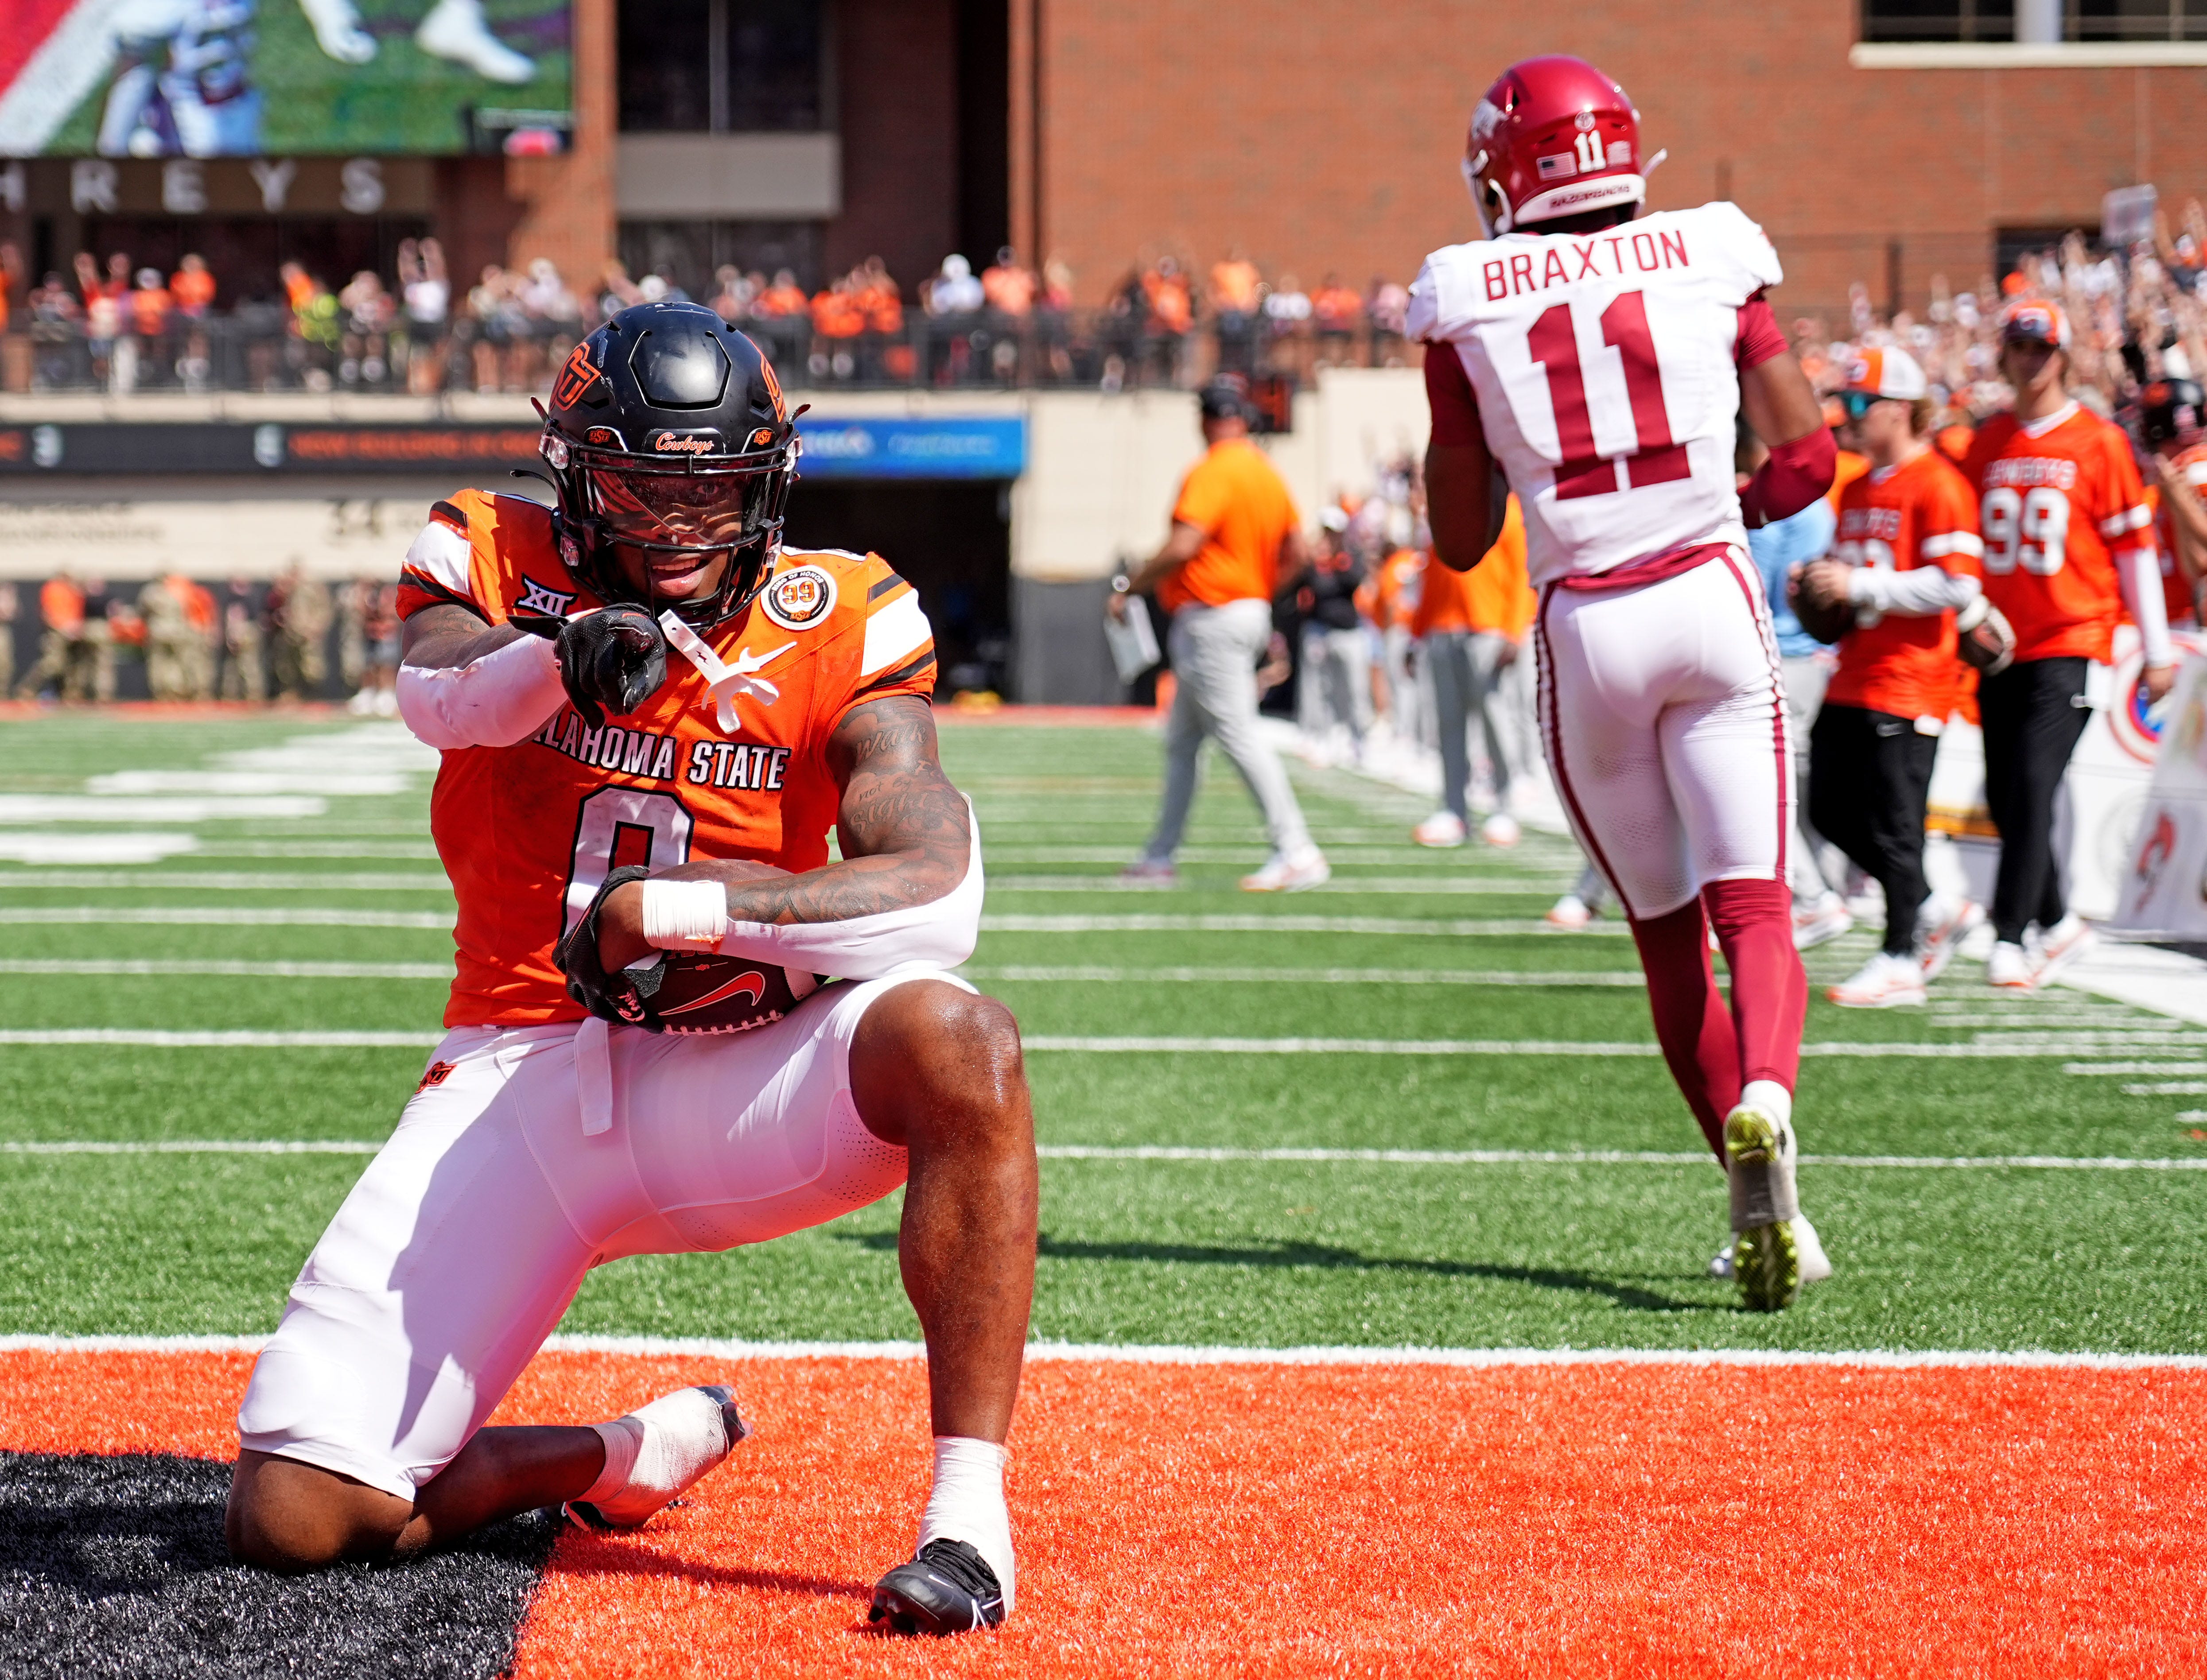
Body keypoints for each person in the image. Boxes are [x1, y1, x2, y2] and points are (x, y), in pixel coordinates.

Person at [224, 302, 1034, 1639]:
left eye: (711, 488)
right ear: (573, 472)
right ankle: (609, 1454)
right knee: (295, 1516)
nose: (677, 524)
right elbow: (432, 691)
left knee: (961, 1038)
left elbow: (937, 889)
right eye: (642, 488)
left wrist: (689, 911)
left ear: (765, 479)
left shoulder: (840, 614)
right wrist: (555, 661)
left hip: (738, 1075)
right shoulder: (495, 552)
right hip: (525, 1066)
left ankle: (967, 1521)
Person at [1410, 54, 1837, 1310]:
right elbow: (1807, 457)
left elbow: (1454, 536)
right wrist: (1725, 505)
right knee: (1754, 908)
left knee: (1662, 946)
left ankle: (1771, 1209)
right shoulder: (1708, 248)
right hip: (1704, 593)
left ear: (1508, 173)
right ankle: (1769, 1099)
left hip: (1585, 626)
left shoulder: (1462, 292)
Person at [1961, 299, 2172, 989]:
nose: (2029, 359)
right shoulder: (1987, 440)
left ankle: (2010, 932)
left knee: (2032, 783)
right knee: (2003, 791)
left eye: (2040, 348)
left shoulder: (2098, 441)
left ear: (2062, 355)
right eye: (2019, 347)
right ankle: (2058, 920)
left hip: (2072, 637)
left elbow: (2134, 548)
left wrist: (2156, 648)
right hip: (2000, 644)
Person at [1794, 347, 1986, 1008]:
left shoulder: (1938, 483)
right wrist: (1818, 588)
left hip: (1911, 679)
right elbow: (1850, 586)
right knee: (1825, 806)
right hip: (1854, 671)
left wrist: (1858, 582)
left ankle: (1901, 954)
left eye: (1855, 403)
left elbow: (1957, 586)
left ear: (1897, 410)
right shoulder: (1854, 488)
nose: (1842, 416)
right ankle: (1931, 906)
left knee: (1894, 826)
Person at [1115, 376, 1328, 890]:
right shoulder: (1266, 472)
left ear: (1205, 419)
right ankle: (1160, 855)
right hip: (1241, 611)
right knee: (1183, 741)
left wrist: (1131, 585)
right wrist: (1257, 592)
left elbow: (1185, 543)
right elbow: (1298, 553)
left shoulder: (1213, 470)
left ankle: (1296, 849)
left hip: (1213, 617)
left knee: (1238, 734)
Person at [1740, 419, 1850, 947]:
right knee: (1790, 787)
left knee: (1768, 788)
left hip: (1785, 655)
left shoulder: (1786, 503)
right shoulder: (1811, 502)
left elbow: (1760, 586)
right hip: (1800, 655)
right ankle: (1818, 890)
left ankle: (1813, 897)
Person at [1410, 494, 1533, 848]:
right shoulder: (1442, 507)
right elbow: (1431, 573)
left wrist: (1514, 629)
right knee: (1448, 725)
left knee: (1497, 720)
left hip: (1489, 626)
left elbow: (1520, 570)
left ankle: (1505, 806)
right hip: (1443, 626)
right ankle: (1453, 808)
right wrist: (1418, 631)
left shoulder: (1507, 507)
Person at [1296, 508, 1372, 761]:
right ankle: (1318, 736)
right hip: (1319, 629)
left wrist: (1331, 565)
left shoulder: (1349, 557)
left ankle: (1359, 740)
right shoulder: (1314, 561)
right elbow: (1310, 586)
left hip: (1348, 632)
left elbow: (1352, 582)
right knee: (1317, 688)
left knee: (1354, 689)